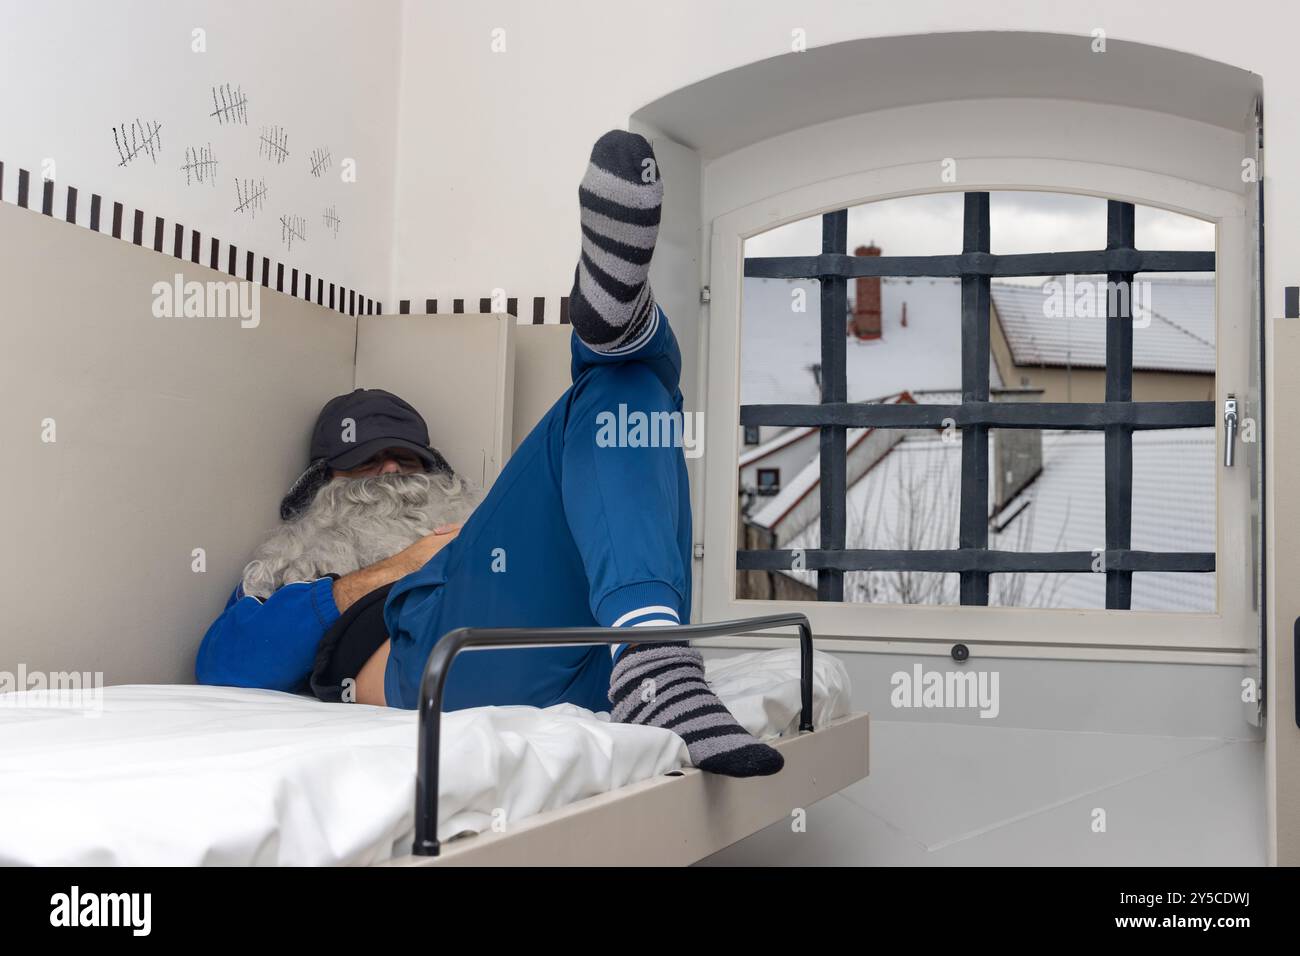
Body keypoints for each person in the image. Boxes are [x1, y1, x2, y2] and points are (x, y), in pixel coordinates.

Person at [197, 130, 782, 777]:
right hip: (450, 662)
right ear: (318, 488)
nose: (390, 474)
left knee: (625, 391)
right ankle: (626, 329)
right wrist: (398, 566)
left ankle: (651, 658)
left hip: (587, 649)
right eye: (366, 464)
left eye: (407, 459)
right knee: (621, 375)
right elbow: (224, 666)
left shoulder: (479, 534)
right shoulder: (288, 573)